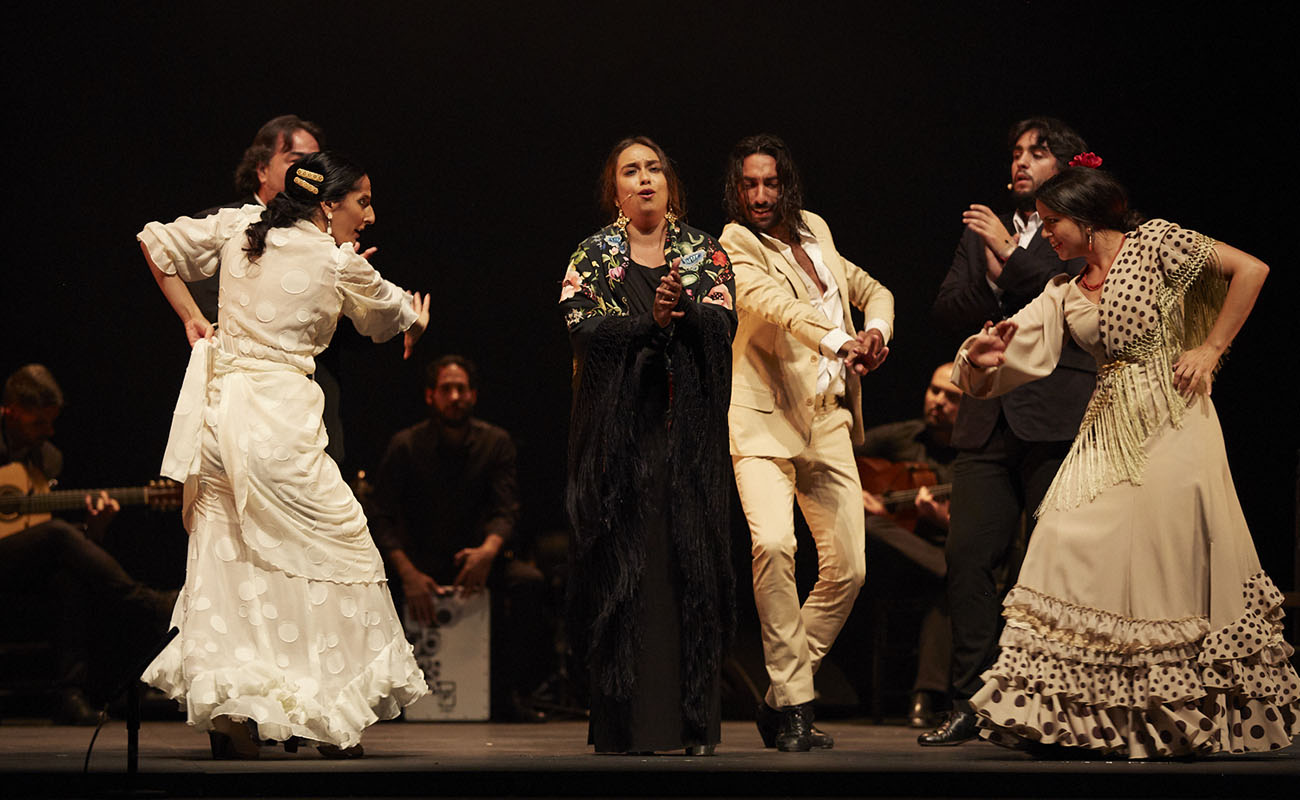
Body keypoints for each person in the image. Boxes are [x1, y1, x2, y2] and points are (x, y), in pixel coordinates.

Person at [954, 161, 1297, 757]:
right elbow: (1012, 344)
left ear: (1087, 219)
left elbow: (1252, 269)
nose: (1047, 235)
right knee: (1062, 535)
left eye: (1053, 222)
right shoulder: (1063, 291)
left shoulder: (1157, 242)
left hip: (1174, 420)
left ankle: (1171, 719)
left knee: (1165, 563)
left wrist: (1212, 348)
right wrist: (980, 356)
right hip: (1107, 428)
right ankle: (1080, 719)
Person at [136, 151, 431, 759]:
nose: (369, 214)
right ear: (328, 203)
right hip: (280, 425)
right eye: (363, 201)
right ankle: (329, 708)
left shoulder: (238, 227)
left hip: (220, 418)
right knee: (341, 549)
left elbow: (156, 244)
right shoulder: (335, 260)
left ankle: (235, 713)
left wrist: (194, 318)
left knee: (232, 557)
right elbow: (395, 315)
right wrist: (416, 321)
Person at [921, 118, 1096, 746]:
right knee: (967, 556)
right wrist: (994, 274)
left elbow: (1069, 292)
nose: (1022, 162)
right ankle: (970, 700)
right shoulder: (986, 233)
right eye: (1017, 153)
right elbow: (948, 306)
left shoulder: (1081, 230)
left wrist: (1009, 254)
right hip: (987, 414)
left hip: (1054, 411)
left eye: (1038, 153)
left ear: (1067, 166)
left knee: (1045, 563)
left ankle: (1045, 703)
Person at [561, 136, 737, 755]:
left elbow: (723, 324)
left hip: (685, 442)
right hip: (619, 442)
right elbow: (582, 330)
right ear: (615, 190)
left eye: (654, 169)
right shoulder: (593, 255)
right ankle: (624, 726)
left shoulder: (703, 251)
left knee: (689, 570)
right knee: (624, 576)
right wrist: (648, 323)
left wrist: (683, 311)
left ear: (669, 184)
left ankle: (693, 724)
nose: (644, 180)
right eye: (630, 172)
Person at [721, 134, 894, 752]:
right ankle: (794, 705)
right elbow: (772, 303)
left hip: (830, 419)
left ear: (786, 184)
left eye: (770, 183)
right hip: (764, 420)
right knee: (773, 544)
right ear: (736, 189)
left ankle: (777, 695)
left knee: (849, 567)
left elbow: (872, 289)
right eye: (749, 185)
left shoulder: (815, 229)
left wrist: (872, 331)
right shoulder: (735, 243)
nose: (760, 196)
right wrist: (836, 340)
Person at [369, 354, 550, 721]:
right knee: (368, 591)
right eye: (446, 389)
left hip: (476, 562)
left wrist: (487, 552)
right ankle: (389, 699)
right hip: (419, 566)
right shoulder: (405, 446)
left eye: (461, 389)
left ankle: (513, 694)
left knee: (529, 585)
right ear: (430, 396)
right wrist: (408, 573)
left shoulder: (495, 443)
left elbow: (507, 509)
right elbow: (381, 518)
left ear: (474, 395)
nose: (455, 397)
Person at [0, 365, 174, 724]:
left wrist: (93, 530)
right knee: (59, 536)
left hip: (19, 562)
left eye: (51, 423)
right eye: (37, 423)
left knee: (71, 574)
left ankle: (69, 694)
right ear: (10, 410)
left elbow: (34, 529)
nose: (47, 432)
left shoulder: (48, 459)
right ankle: (150, 605)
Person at [190, 116, 349, 464]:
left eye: (315, 164)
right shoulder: (226, 224)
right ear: (262, 170)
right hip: (242, 400)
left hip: (309, 398)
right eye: (296, 162)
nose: (311, 174)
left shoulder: (331, 231)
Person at [856, 363, 960, 727]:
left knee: (947, 580)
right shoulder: (904, 437)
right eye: (935, 391)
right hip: (893, 560)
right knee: (862, 522)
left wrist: (941, 520)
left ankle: (925, 698)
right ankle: (928, 699)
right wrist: (860, 494)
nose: (938, 402)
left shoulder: (975, 457)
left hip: (944, 552)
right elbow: (841, 452)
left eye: (952, 397)